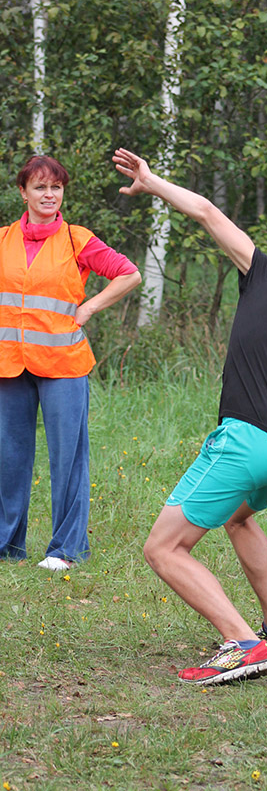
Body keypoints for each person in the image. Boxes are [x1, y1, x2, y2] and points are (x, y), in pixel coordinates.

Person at [112, 147, 267, 687]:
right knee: (239, 518)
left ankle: (243, 645)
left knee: (163, 548)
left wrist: (152, 182)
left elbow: (206, 212)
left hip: (250, 440)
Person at [0, 155, 141, 570]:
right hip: (9, 364)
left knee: (68, 458)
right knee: (8, 457)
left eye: (56, 188)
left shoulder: (77, 239)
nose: (49, 195)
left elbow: (129, 274)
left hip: (63, 363)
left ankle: (65, 550)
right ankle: (7, 545)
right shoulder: (3, 239)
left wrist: (90, 307)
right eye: (40, 187)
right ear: (23, 192)